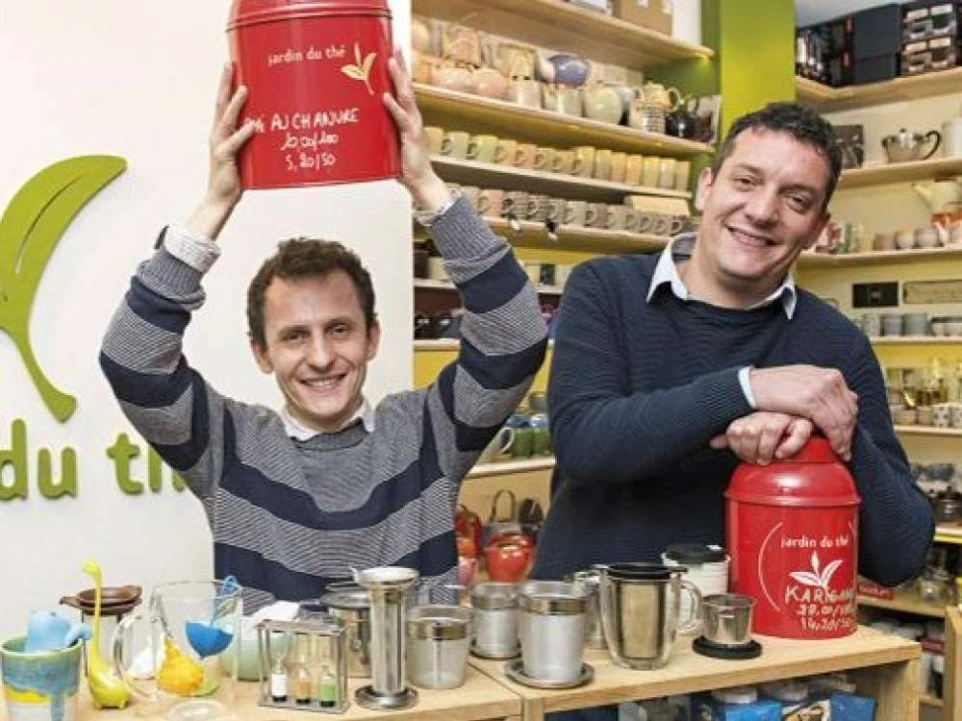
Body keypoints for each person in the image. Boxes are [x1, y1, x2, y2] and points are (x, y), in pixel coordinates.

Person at [100, 52, 547, 611]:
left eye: (339, 329)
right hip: (272, 675)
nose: (320, 356)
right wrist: (216, 203)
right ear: (261, 353)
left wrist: (426, 186)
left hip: (416, 671)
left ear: (372, 337)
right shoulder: (228, 447)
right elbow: (131, 358)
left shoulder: (429, 432)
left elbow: (516, 335)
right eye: (294, 336)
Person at [532, 102, 933, 600]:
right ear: (706, 188)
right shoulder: (606, 288)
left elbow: (900, 555)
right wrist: (748, 389)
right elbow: (585, 444)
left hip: (749, 640)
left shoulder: (837, 346)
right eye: (746, 181)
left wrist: (825, 432)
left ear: (816, 228)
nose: (762, 211)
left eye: (796, 200)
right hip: (589, 628)